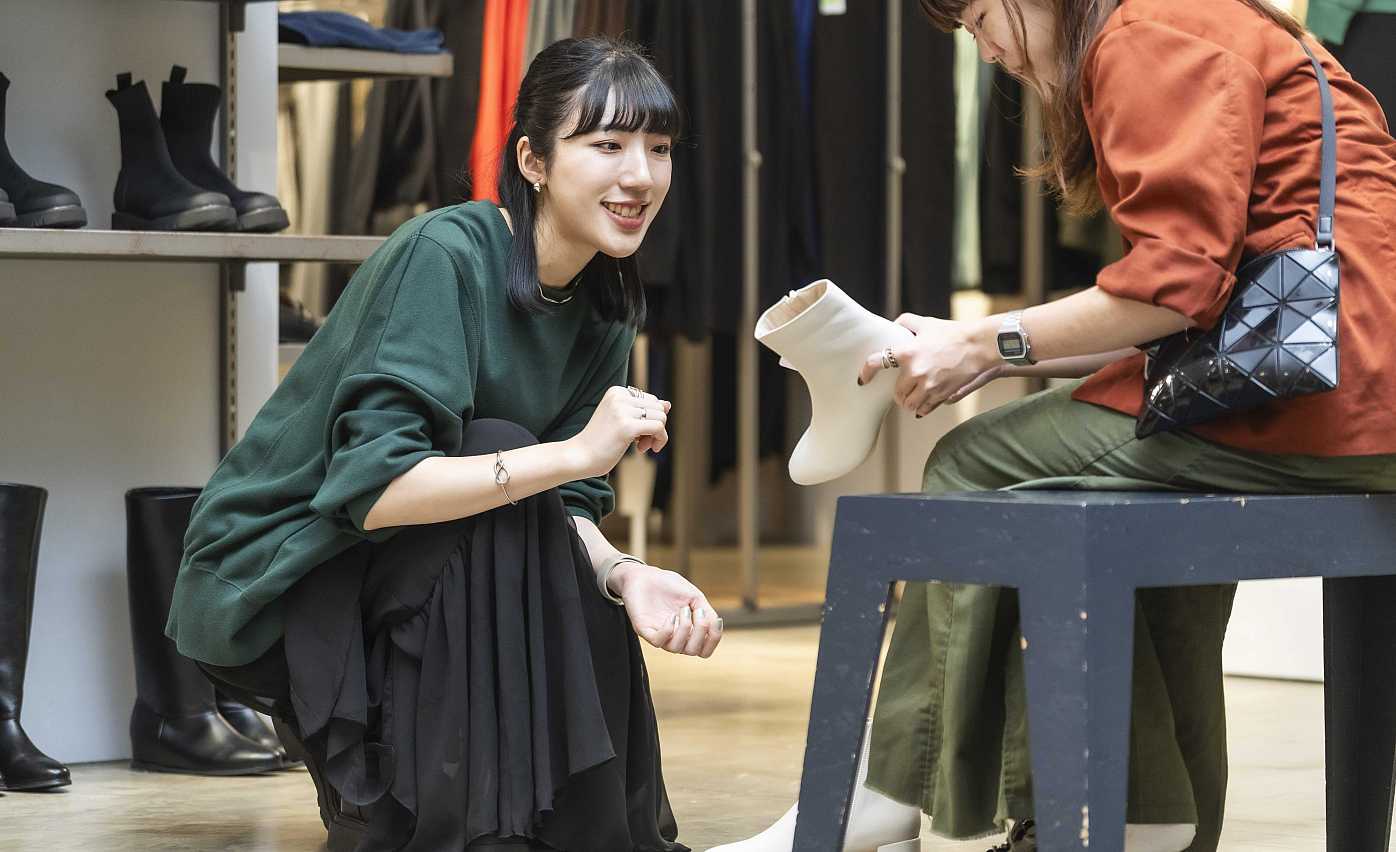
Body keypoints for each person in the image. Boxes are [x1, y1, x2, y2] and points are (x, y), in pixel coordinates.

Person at [716, 1, 1396, 851]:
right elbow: (1188, 303)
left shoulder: (1144, 34)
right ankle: (1150, 814)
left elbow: (1174, 287)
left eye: (978, 18)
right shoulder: (1210, 19)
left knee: (975, 460)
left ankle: (888, 790)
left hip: (1326, 400)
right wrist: (990, 350)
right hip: (1347, 378)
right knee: (1125, 507)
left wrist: (987, 341)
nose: (984, 50)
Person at [165, 37, 721, 852]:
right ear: (532, 161)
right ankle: (459, 822)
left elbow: (563, 508)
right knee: (500, 451)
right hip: (289, 569)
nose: (640, 174)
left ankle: (569, 832)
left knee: (563, 557)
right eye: (607, 145)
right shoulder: (446, 254)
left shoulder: (604, 301)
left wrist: (624, 573)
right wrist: (575, 454)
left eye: (659, 148)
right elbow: (377, 491)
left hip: (426, 560)